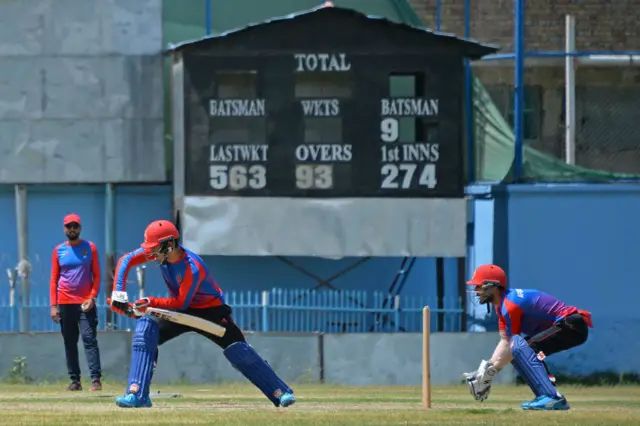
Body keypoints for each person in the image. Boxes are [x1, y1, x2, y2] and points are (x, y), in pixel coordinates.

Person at [109, 219, 296, 409]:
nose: (150, 253)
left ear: (170, 244)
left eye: (155, 248)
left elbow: (182, 302)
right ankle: (137, 394)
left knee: (238, 350)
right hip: (180, 312)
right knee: (145, 329)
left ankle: (280, 392)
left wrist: (150, 302)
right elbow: (126, 260)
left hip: (210, 312)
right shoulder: (161, 253)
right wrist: (119, 292)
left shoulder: (192, 267)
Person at [462, 264, 593, 411]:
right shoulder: (501, 306)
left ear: (493, 286)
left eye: (479, 286)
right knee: (521, 351)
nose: (476, 291)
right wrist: (487, 370)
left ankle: (552, 397)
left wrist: (489, 373)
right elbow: (505, 342)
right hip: (569, 325)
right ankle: (546, 397)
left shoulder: (510, 306)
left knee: (526, 349)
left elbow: (513, 342)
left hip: (571, 325)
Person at [49, 213, 103, 391]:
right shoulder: (59, 250)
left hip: (85, 303)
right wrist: (53, 305)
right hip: (64, 302)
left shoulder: (90, 248)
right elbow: (54, 278)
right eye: (68, 226)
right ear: (64, 229)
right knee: (70, 341)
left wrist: (92, 297)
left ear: (80, 228)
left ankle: (96, 379)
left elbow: (97, 275)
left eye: (75, 226)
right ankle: (75, 381)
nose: (72, 229)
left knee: (89, 338)